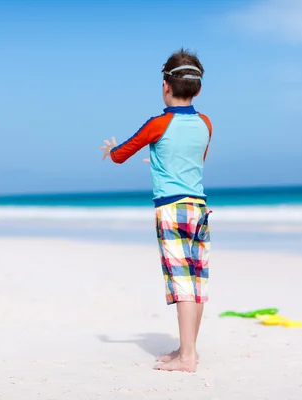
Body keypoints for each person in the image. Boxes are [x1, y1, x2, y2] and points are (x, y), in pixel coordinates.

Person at [100, 49, 213, 373]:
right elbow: (194, 161)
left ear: (165, 85)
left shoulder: (158, 123)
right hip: (199, 208)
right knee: (196, 280)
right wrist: (162, 161)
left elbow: (121, 155)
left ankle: (187, 358)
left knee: (181, 283)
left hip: (172, 210)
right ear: (198, 89)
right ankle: (187, 348)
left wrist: (111, 149)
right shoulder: (205, 123)